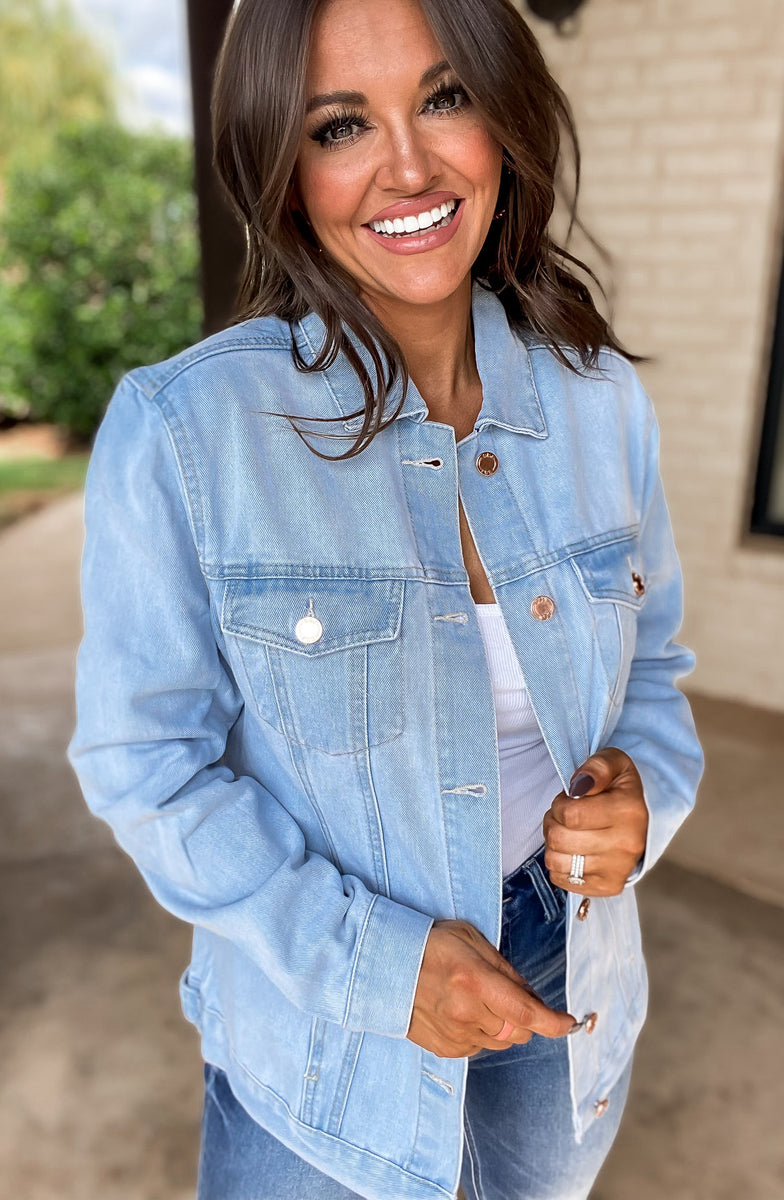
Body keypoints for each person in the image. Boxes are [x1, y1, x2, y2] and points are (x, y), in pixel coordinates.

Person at [67, 0, 704, 1197]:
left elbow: (656, 671)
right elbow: (143, 762)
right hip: (324, 1047)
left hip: (565, 985)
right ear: (282, 166)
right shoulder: (187, 432)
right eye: (339, 124)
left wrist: (642, 794)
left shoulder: (599, 401)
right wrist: (377, 969)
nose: (407, 166)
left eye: (445, 96)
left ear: (504, 117)